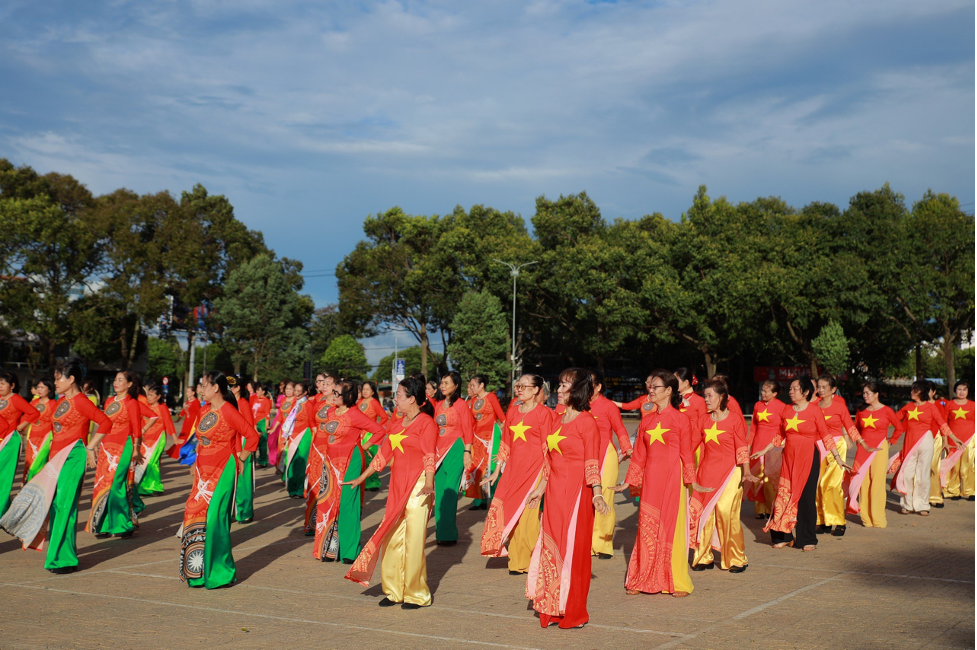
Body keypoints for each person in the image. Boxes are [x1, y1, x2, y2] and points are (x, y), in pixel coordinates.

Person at [0, 360, 111, 573]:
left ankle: (63, 558)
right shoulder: (61, 401)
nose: (55, 382)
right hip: (56, 458)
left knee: (64, 506)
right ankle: (63, 555)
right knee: (55, 506)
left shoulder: (82, 401)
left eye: (58, 378)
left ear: (71, 379)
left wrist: (90, 447)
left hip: (73, 457)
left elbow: (105, 422)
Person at [344, 377, 437, 609]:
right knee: (392, 538)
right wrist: (361, 477)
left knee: (414, 540)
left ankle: (416, 593)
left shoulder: (426, 423)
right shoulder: (396, 423)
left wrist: (429, 484)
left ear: (412, 399)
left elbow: (429, 455)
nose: (395, 398)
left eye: (398, 394)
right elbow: (382, 456)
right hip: (397, 486)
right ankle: (394, 591)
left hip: (418, 487)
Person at [525, 368, 607, 628]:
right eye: (559, 385)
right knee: (552, 548)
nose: (558, 390)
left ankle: (574, 612)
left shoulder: (587, 422)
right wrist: (540, 488)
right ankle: (552, 606)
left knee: (574, 553)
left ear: (579, 390)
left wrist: (597, 494)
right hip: (554, 496)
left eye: (564, 386)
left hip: (577, 497)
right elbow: (551, 459)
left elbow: (592, 461)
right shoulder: (557, 419)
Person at [613, 369, 697, 596]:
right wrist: (627, 481)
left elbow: (687, 453)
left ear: (669, 390)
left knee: (670, 528)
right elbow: (639, 455)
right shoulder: (647, 421)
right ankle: (642, 578)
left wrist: (692, 480)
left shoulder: (681, 419)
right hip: (651, 479)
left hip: (673, 479)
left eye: (656, 387)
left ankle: (675, 580)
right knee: (647, 526)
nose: (650, 390)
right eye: (650, 386)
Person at [178, 370, 257, 589]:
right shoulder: (203, 411)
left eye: (204, 385)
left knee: (215, 519)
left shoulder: (230, 411)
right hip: (204, 471)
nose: (200, 389)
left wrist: (241, 458)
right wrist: (195, 463)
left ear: (215, 388)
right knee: (193, 513)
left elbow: (252, 436)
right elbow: (200, 440)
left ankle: (221, 572)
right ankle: (197, 572)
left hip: (224, 469)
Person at [752, 377, 850, 551]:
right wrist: (765, 450)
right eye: (790, 388)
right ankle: (783, 535)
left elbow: (826, 435)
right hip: (789, 459)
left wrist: (838, 457)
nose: (791, 391)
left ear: (805, 392)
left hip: (808, 458)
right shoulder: (787, 410)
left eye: (795, 389)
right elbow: (779, 435)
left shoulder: (814, 411)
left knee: (806, 499)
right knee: (784, 495)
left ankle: (806, 538)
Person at [480, 374, 553, 574]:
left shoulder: (544, 414)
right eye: (517, 385)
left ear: (536, 389)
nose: (519, 389)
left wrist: (546, 477)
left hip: (534, 470)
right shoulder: (512, 411)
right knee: (510, 512)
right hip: (513, 470)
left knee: (528, 517)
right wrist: (496, 472)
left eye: (523, 386)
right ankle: (518, 560)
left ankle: (531, 561)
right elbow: (506, 442)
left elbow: (549, 448)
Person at [308, 379, 385, 562]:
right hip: (331, 462)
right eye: (333, 392)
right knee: (327, 503)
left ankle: (350, 551)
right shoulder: (331, 411)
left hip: (351, 461)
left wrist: (363, 446)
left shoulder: (355, 414)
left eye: (337, 393)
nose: (333, 396)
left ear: (347, 396)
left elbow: (379, 431)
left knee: (347, 505)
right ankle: (328, 549)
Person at [688, 380, 756, 572]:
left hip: (730, 473)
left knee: (727, 513)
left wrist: (747, 471)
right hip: (706, 473)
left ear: (722, 397)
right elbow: (690, 446)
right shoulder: (703, 420)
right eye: (705, 396)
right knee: (704, 514)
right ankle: (703, 557)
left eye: (710, 396)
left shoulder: (734, 419)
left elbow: (741, 447)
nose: (706, 399)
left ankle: (736, 558)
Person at [86, 370, 156, 539]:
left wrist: (137, 449)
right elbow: (103, 425)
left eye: (120, 380)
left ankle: (122, 524)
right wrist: (95, 445)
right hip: (105, 447)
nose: (115, 383)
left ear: (129, 384)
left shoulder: (132, 403)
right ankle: (102, 525)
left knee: (116, 485)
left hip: (124, 446)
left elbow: (137, 427)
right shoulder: (109, 401)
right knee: (102, 486)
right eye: (115, 380)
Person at [891, 380, 959, 516]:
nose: (911, 392)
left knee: (923, 474)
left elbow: (942, 423)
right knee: (907, 474)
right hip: (910, 442)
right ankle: (907, 504)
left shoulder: (931, 407)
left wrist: (954, 437)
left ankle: (922, 505)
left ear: (922, 392)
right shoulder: (908, 406)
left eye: (915, 390)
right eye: (912, 390)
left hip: (926, 441)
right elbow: (893, 419)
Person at [588, 369, 633, 559]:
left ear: (598, 387)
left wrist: (627, 448)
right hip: (585, 458)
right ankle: (588, 542)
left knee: (605, 496)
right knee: (587, 499)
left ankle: (603, 544)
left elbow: (620, 428)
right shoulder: (578, 405)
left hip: (606, 456)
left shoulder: (608, 406)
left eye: (588, 382)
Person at [814, 374, 865, 537]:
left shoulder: (839, 406)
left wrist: (863, 444)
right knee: (818, 485)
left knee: (832, 485)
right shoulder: (814, 406)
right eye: (819, 387)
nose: (820, 390)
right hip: (817, 446)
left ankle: (838, 521)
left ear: (833, 389)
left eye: (824, 387)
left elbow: (850, 427)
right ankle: (822, 521)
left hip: (837, 446)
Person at [847, 381, 899, 528]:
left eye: (868, 393)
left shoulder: (887, 410)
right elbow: (855, 428)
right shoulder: (861, 410)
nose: (865, 396)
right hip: (863, 449)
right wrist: (859, 444)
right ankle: (866, 519)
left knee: (877, 482)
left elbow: (899, 427)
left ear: (876, 394)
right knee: (863, 482)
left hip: (880, 449)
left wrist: (891, 441)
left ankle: (878, 518)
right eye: (863, 393)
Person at [432, 371, 474, 545]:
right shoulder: (439, 405)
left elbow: (468, 429)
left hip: (455, 449)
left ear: (456, 386)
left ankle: (448, 534)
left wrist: (467, 452)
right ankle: (441, 532)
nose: (442, 385)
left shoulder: (461, 405)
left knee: (450, 492)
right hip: (438, 451)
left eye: (447, 382)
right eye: (442, 382)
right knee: (439, 493)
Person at [466, 375, 506, 510]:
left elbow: (503, 419)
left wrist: (498, 433)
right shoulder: (472, 400)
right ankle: (479, 501)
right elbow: (472, 421)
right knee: (477, 468)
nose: (471, 387)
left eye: (473, 385)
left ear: (481, 385)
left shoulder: (491, 397)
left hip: (491, 437)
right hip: (477, 438)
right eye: (470, 385)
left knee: (492, 466)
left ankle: (495, 499)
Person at [747, 380, 786, 518]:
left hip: (773, 445)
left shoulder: (782, 407)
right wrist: (749, 445)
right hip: (758, 443)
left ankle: (772, 507)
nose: (762, 393)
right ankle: (760, 509)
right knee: (757, 477)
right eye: (762, 390)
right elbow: (753, 427)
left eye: (766, 391)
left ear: (775, 393)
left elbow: (784, 428)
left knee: (770, 478)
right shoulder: (758, 405)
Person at [134, 383, 177, 504]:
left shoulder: (162, 408)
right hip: (145, 439)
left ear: (158, 397)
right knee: (143, 463)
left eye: (151, 395)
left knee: (152, 462)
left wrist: (174, 438)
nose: (148, 397)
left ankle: (156, 487)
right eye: (148, 395)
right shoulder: (145, 406)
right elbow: (141, 421)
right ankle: (143, 487)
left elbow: (169, 423)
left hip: (158, 438)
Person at [229, 377, 259, 522]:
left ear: (238, 388)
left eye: (232, 386)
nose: (230, 389)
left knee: (243, 478)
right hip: (232, 442)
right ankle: (234, 510)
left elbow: (250, 428)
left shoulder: (243, 403)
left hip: (244, 442)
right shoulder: (229, 403)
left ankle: (245, 511)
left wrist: (247, 449)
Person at [942, 381, 975, 501]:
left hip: (970, 439)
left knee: (968, 465)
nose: (961, 392)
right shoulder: (949, 404)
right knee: (953, 466)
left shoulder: (973, 405)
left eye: (964, 389)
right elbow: (943, 423)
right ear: (955, 391)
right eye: (959, 389)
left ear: (968, 391)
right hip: (953, 440)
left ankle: (970, 490)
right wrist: (945, 441)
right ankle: (952, 490)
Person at [356, 380, 388, 492]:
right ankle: (363, 482)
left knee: (371, 458)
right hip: (359, 434)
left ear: (373, 392)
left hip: (370, 435)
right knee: (361, 459)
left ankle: (374, 483)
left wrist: (376, 428)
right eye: (363, 389)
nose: (365, 391)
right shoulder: (359, 402)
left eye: (367, 389)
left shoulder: (374, 403)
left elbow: (384, 417)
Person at [23, 378, 56, 483]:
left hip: (45, 440)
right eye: (38, 387)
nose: (39, 390)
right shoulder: (34, 402)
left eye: (42, 387)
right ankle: (26, 486)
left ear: (50, 389)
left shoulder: (53, 404)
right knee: (29, 463)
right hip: (32, 438)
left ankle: (37, 486)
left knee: (39, 464)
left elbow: (56, 423)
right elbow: (26, 417)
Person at [249, 381, 273, 468]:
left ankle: (263, 461)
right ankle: (253, 461)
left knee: (262, 443)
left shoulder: (266, 401)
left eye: (258, 390)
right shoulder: (255, 399)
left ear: (263, 391)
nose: (257, 392)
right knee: (253, 442)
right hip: (254, 423)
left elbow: (267, 414)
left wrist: (266, 426)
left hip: (262, 423)